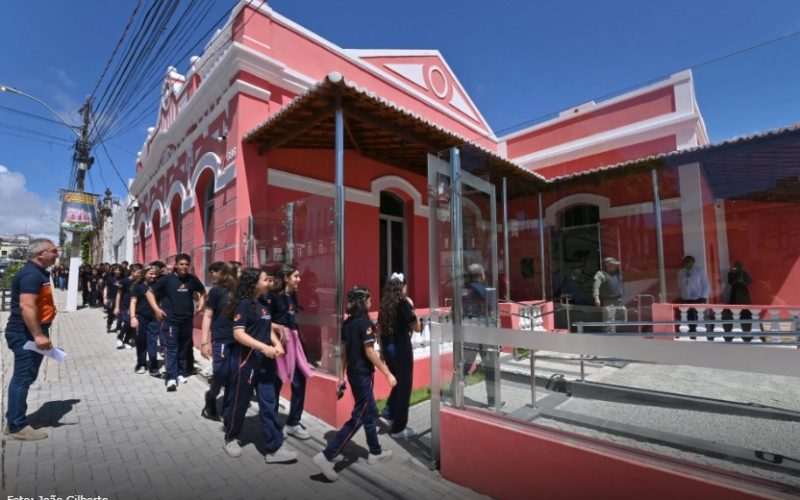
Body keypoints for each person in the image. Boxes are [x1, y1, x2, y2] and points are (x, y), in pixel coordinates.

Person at [313, 286, 395, 482]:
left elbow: (343, 352)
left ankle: (375, 451)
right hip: (363, 375)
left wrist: (342, 377)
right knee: (359, 417)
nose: (370, 302)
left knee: (370, 412)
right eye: (368, 299)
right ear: (361, 302)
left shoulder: (348, 324)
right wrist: (388, 373)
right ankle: (327, 456)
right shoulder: (365, 324)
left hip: (353, 374)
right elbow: (369, 352)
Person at [223, 267, 296, 464]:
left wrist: (277, 343)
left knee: (269, 402)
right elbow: (239, 334)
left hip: (265, 361)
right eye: (266, 280)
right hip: (246, 360)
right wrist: (264, 347)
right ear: (254, 283)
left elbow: (266, 326)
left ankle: (273, 448)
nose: (270, 283)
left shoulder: (264, 303)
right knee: (240, 402)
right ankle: (230, 437)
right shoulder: (244, 305)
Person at [4, 238, 58, 441]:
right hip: (25, 334)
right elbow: (27, 307)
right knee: (23, 377)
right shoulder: (30, 275)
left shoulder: (38, 273)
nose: (57, 253)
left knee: (28, 376)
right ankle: (17, 426)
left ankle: (17, 418)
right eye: (54, 250)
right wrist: (38, 335)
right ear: (41, 254)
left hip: (32, 331)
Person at [146, 253, 207, 392]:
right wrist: (156, 309)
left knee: (183, 348)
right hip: (171, 320)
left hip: (187, 320)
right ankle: (171, 378)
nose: (184, 267)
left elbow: (203, 292)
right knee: (172, 348)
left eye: (186, 264)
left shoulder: (192, 279)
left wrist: (201, 306)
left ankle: (179, 373)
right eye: (181, 264)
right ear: (176, 265)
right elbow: (149, 293)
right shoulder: (167, 279)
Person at [270, 264, 314, 441]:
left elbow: (293, 320)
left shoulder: (293, 295)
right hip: (278, 346)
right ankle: (273, 425)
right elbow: (263, 321)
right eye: (296, 276)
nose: (299, 279)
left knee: (299, 382)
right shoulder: (272, 297)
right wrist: (278, 330)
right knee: (275, 384)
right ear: (286, 277)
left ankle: (293, 423)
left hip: (293, 343)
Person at [377, 272, 420, 439]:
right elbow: (416, 327)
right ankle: (398, 428)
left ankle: (387, 414)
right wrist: (412, 308)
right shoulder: (404, 304)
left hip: (388, 348)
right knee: (405, 387)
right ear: (402, 287)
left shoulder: (384, 304)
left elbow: (379, 330)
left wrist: (381, 351)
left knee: (397, 383)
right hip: (401, 347)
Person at [456, 263, 501, 408]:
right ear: (482, 275)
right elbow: (493, 314)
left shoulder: (462, 291)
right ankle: (493, 400)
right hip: (486, 333)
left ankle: (454, 393)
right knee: (491, 366)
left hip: (468, 332)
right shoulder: (488, 291)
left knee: (464, 364)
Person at [200, 262, 237, 421]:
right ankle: (211, 395)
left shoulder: (242, 292)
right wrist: (204, 342)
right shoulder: (216, 291)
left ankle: (228, 412)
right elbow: (207, 316)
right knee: (221, 372)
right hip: (221, 338)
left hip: (239, 340)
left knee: (233, 376)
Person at [131, 265, 161, 376]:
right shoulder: (137, 286)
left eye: (155, 274)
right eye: (150, 273)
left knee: (152, 342)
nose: (153, 276)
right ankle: (141, 364)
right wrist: (133, 317)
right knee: (141, 342)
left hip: (154, 318)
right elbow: (133, 302)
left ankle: (153, 366)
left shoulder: (158, 286)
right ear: (145, 274)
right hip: (140, 317)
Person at [677, 255, 711, 339]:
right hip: (686, 299)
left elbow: (706, 285)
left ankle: (704, 334)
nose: (686, 263)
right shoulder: (681, 272)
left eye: (688, 261)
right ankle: (691, 334)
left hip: (698, 298)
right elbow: (679, 285)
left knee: (700, 317)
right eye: (685, 261)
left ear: (693, 262)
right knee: (688, 317)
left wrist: (704, 296)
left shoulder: (699, 271)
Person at [593, 257, 625, 333]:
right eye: (613, 265)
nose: (615, 266)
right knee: (609, 322)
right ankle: (609, 338)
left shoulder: (617, 272)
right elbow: (596, 287)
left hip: (619, 300)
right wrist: (596, 298)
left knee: (619, 320)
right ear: (608, 265)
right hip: (608, 301)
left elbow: (622, 284)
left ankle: (618, 337)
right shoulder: (601, 274)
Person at [115, 264, 140, 351]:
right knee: (128, 321)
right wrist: (117, 307)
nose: (139, 275)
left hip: (135, 306)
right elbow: (119, 294)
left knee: (132, 325)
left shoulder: (138, 282)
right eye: (138, 273)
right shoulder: (124, 281)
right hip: (125, 306)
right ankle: (120, 336)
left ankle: (126, 341)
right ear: (132, 272)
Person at [103, 265, 122, 333]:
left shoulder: (123, 278)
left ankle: (119, 327)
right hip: (111, 299)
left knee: (120, 314)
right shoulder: (110, 279)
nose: (118, 271)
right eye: (116, 270)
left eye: (119, 270)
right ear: (113, 271)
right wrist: (105, 298)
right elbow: (106, 288)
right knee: (111, 314)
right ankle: (109, 324)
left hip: (121, 299)